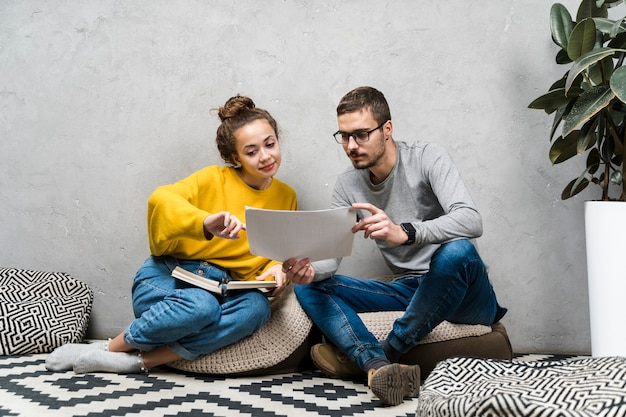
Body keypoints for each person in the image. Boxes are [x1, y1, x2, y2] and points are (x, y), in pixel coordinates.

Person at [284, 86, 507, 406]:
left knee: (458, 251)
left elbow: (471, 220)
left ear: (387, 129)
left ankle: (390, 350)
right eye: (344, 136)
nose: (351, 145)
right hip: (410, 289)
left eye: (361, 134)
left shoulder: (427, 156)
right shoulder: (348, 185)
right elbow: (331, 260)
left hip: (464, 290)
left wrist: (406, 232)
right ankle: (377, 366)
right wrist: (308, 270)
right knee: (310, 287)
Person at [45, 95, 297, 374]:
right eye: (251, 152)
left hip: (226, 289)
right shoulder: (212, 178)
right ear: (235, 157)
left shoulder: (286, 196)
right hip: (169, 278)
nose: (265, 156)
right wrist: (204, 222)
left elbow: (274, 252)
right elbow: (160, 199)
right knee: (201, 306)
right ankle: (109, 349)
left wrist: (276, 271)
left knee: (257, 309)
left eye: (270, 144)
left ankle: (139, 361)